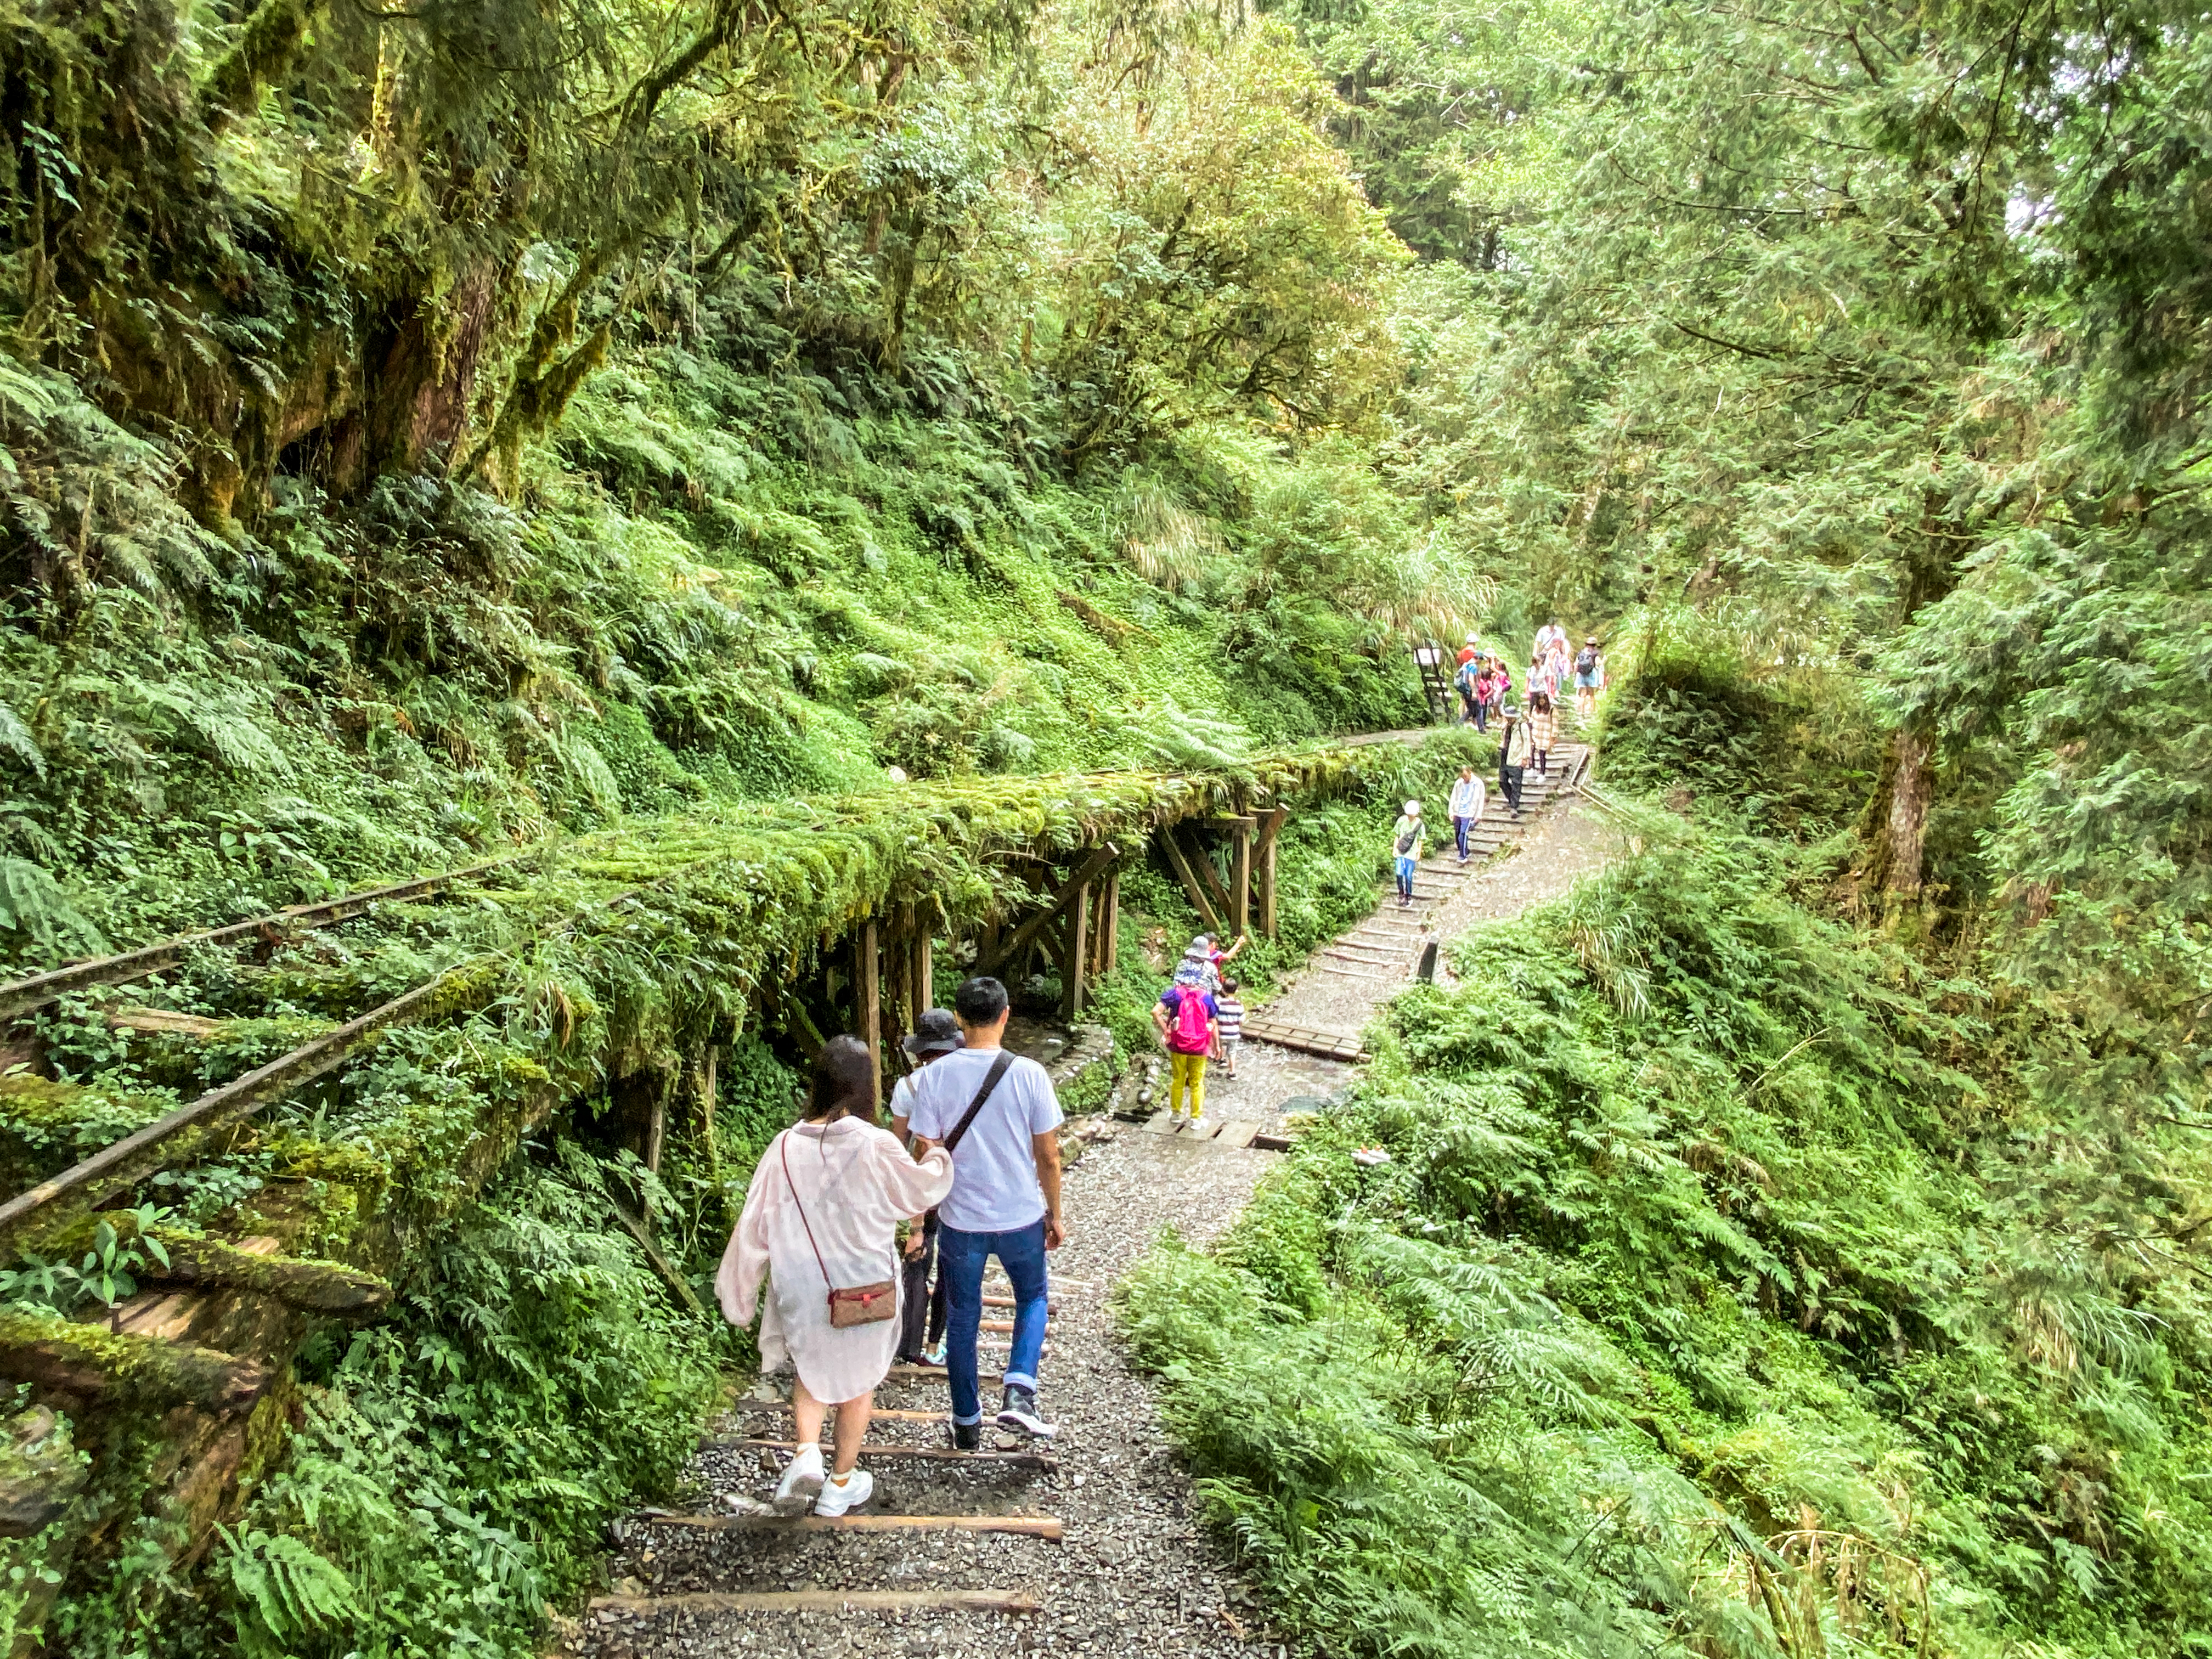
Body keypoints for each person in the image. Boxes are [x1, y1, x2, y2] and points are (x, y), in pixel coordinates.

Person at [718, 1035, 953, 1517]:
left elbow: (753, 1227)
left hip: (803, 1284)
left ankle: (807, 1454)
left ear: (819, 1082)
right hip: (864, 1284)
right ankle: (840, 1483)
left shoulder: (783, 1147)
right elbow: (919, 1194)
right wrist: (936, 1156)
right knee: (858, 1380)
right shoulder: (876, 1143)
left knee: (811, 1367)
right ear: (866, 1087)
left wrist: (737, 1296)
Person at [894, 977, 1066, 1446]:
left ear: (960, 1021)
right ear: (1006, 1015)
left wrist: (917, 1220)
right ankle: (1018, 1393)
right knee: (1032, 1298)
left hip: (960, 1221)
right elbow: (1048, 1155)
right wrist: (1055, 1213)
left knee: (963, 1314)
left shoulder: (931, 1078)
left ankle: (966, 1421)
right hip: (1020, 1216)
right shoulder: (1030, 1073)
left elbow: (925, 1150)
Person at [890, 1009, 964, 1368]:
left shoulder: (907, 1088)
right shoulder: (970, 1082)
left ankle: (908, 1346)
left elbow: (896, 1148)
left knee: (918, 1260)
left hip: (923, 1187)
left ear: (920, 1053)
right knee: (952, 1265)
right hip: (961, 1186)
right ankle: (936, 1345)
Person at [1154, 975, 1218, 1131]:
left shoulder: (1174, 994)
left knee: (1178, 1080)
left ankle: (1176, 1114)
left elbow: (1155, 1011)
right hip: (1200, 1047)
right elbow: (1213, 1024)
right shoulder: (1207, 998)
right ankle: (1196, 1119)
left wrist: (1167, 1031)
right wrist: (1217, 1046)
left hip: (1178, 1045)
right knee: (1197, 1084)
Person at [1448, 764, 1487, 864]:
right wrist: (1451, 811)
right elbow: (1453, 797)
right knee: (1457, 833)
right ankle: (1465, 850)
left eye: (1466, 776)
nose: (1464, 779)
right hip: (1458, 811)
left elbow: (1481, 800)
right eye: (1462, 777)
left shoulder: (1478, 784)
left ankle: (1462, 856)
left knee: (1463, 833)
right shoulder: (1459, 783)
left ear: (1470, 773)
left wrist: (1478, 815)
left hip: (1469, 813)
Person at [1497, 707, 1531, 816]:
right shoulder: (1505, 726)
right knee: (1502, 782)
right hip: (1505, 756)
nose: (1509, 719)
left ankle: (1514, 806)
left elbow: (1527, 742)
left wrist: (1525, 758)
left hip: (1516, 757)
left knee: (1516, 783)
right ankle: (1512, 800)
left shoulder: (1522, 727)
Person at [1391, 798, 1424, 907]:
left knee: (1409, 876)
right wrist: (1395, 848)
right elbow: (1397, 835)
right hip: (1401, 852)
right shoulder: (1401, 821)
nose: (1410, 817)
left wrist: (1419, 853)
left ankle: (1409, 895)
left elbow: (1420, 840)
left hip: (1411, 853)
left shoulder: (1420, 825)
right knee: (1399, 873)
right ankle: (1401, 893)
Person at [1214, 978, 1245, 1078]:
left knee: (1222, 1045)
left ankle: (1222, 1060)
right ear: (1236, 990)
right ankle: (1232, 1072)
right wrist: (1238, 1028)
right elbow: (1241, 1020)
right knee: (1232, 1051)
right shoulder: (1239, 1005)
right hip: (1234, 1032)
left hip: (1222, 1031)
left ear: (1223, 989)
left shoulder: (1219, 1003)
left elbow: (1215, 1016)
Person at [1573, 637, 1606, 723]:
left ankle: (1582, 713)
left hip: (1581, 674)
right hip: (1591, 674)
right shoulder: (1595, 653)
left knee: (1582, 695)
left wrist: (1575, 674)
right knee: (1591, 695)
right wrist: (1604, 661)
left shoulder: (1581, 653)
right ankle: (1592, 713)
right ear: (1594, 645)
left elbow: (1576, 664)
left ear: (1586, 644)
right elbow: (1598, 663)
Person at [1527, 690, 1559, 776]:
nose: (1541, 702)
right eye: (1539, 700)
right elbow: (1532, 720)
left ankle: (1542, 773)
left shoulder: (1552, 710)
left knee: (1542, 754)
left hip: (1545, 735)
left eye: (1543, 700)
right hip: (1535, 734)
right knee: (1531, 752)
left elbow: (1555, 724)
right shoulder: (1535, 709)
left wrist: (1553, 737)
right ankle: (1532, 768)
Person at [1453, 651, 1484, 726]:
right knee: (1478, 709)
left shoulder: (1466, 664)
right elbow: (1471, 679)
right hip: (1469, 690)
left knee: (1471, 711)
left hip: (1465, 690)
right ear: (1479, 659)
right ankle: (1481, 729)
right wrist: (1474, 692)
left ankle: (1457, 725)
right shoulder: (1473, 666)